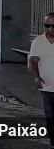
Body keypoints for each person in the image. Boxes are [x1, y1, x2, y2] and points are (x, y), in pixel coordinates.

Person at [29, 12, 54, 148]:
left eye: (53, 26)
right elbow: (33, 61)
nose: (51, 29)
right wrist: (36, 76)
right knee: (50, 118)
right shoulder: (38, 42)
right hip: (46, 88)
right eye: (47, 25)